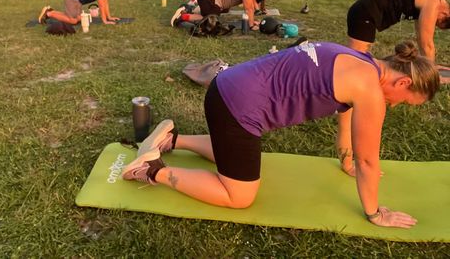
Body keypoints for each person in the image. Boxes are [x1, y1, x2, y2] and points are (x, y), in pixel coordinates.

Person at [123, 40, 439, 229]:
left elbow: (348, 128)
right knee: (240, 195)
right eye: (403, 102)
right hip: (237, 108)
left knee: (238, 158)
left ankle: (171, 140)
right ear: (403, 83)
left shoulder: (359, 62)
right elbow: (369, 160)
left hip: (226, 88)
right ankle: (153, 170)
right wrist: (375, 213)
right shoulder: (370, 90)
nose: (394, 106)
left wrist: (346, 163)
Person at [347, 0, 450, 63]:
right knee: (356, 60)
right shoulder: (432, 1)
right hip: (365, 13)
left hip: (367, 12)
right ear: (446, 14)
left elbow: (421, 38)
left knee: (359, 60)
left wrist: (427, 66)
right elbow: (426, 43)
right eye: (437, 22)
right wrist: (431, 75)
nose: (432, 22)